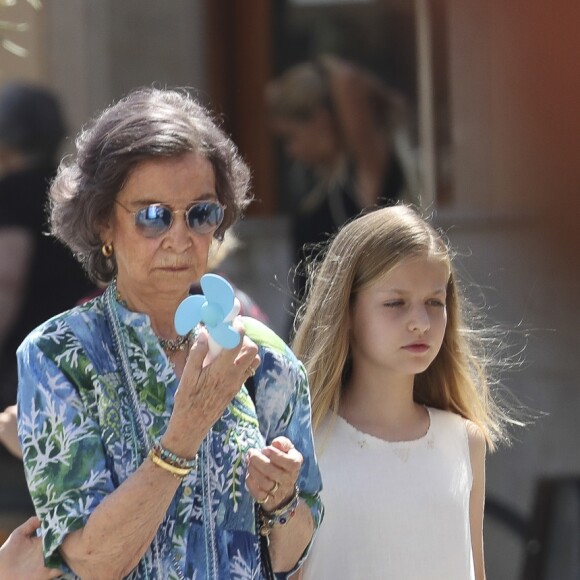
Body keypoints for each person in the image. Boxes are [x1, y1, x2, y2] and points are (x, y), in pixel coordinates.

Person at [16, 87, 323, 578]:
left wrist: (282, 499)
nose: (180, 238)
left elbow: (295, 560)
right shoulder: (58, 357)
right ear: (102, 224)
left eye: (201, 213)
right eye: (153, 216)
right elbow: (93, 560)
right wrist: (185, 431)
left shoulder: (265, 359)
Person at [291, 205, 516, 579]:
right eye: (395, 303)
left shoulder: (464, 441)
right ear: (345, 312)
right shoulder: (304, 442)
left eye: (435, 302)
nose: (421, 323)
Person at [266, 55, 415, 303]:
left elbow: (347, 78)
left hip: (343, 330)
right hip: (311, 326)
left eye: (291, 137)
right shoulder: (317, 183)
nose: (290, 151)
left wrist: (322, 66)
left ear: (320, 122)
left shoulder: (365, 176)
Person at [0, 83, 94, 410]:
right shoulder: (78, 189)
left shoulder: (12, 193)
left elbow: (7, 278)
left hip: (27, 358)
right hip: (82, 344)